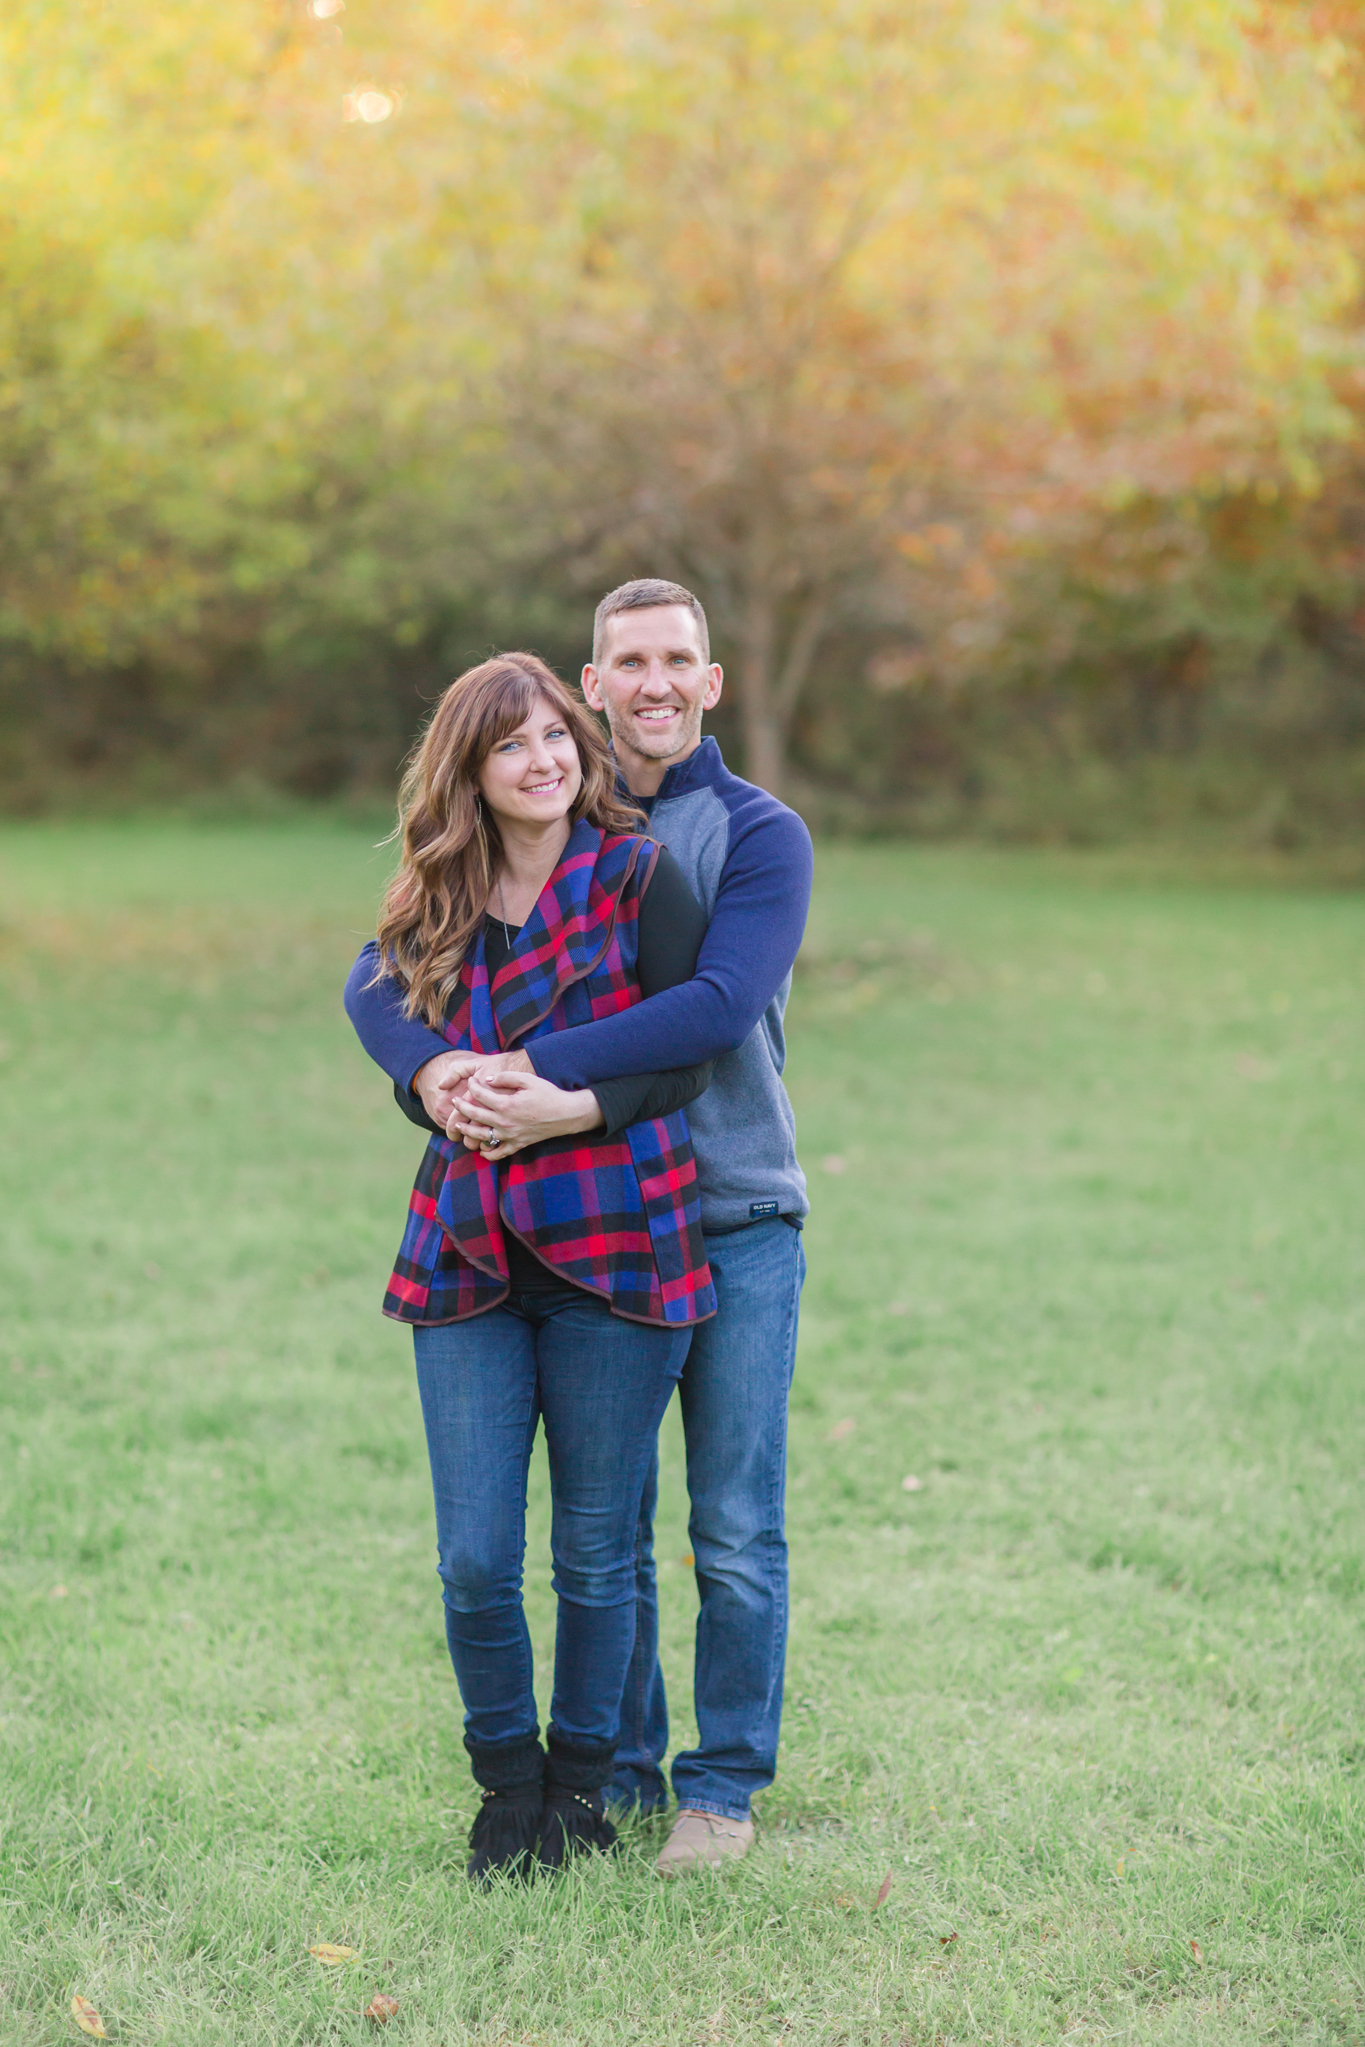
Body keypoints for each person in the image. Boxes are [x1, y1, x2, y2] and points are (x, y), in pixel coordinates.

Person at [346, 579, 812, 1876]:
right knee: (611, 1531)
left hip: (732, 1208)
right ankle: (616, 1771)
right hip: (582, 1216)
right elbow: (386, 964)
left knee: (729, 1525)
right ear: (592, 683)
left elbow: (715, 1006)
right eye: (628, 662)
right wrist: (433, 1072)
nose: (655, 682)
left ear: (710, 682)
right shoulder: (562, 813)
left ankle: (721, 1787)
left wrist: (539, 1080)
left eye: (679, 659)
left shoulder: (753, 832)